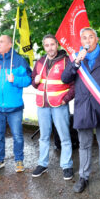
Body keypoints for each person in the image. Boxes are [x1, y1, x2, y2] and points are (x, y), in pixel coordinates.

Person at [61, 28, 100, 194]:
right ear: (81, 41)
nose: (87, 40)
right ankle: (83, 177)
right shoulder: (75, 58)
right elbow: (65, 78)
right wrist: (76, 63)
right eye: (84, 38)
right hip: (84, 108)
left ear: (97, 39)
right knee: (84, 145)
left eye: (90, 37)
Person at [0, 35, 31, 173]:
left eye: (1, 42)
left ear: (10, 44)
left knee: (17, 135)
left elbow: (29, 79)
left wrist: (15, 79)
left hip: (15, 107)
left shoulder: (19, 61)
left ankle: (19, 160)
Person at [31, 34, 75, 180]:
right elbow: (34, 82)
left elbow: (74, 84)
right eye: (47, 45)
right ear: (44, 47)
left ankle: (67, 165)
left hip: (59, 105)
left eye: (52, 44)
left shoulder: (66, 61)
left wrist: (66, 99)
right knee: (43, 137)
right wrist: (35, 82)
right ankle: (42, 164)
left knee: (64, 137)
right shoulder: (40, 62)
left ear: (57, 44)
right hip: (42, 104)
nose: (50, 47)